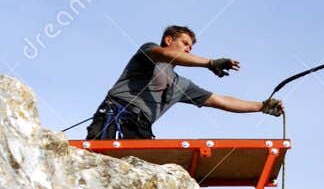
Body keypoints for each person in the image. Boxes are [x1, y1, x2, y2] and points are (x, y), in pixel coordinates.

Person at [86, 25, 284, 140]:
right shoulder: (150, 52)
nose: (188, 49)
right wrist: (210, 63)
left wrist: (261, 106)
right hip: (114, 119)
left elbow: (221, 101)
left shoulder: (181, 85)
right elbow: (167, 55)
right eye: (185, 43)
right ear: (169, 39)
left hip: (141, 130)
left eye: (190, 46)